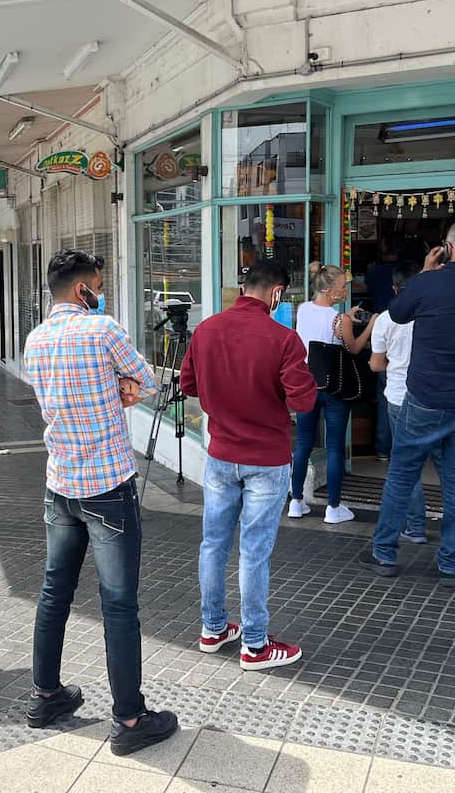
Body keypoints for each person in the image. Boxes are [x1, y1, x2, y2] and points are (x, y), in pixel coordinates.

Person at [22, 249, 177, 756]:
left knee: (54, 592)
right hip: (107, 485)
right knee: (119, 603)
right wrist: (121, 386)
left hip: (60, 482)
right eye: (99, 284)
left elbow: (59, 395)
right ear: (83, 288)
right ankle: (130, 719)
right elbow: (148, 380)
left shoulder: (35, 339)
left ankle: (45, 696)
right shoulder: (102, 329)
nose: (101, 292)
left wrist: (113, 386)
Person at [359, 219, 455, 586]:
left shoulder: (426, 283)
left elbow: (398, 313)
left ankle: (384, 553)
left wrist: (426, 272)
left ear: (447, 247)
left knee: (402, 474)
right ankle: (450, 564)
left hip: (426, 397)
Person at [178, 259, 317, 672]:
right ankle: (255, 645)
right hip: (267, 459)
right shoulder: (284, 339)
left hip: (221, 454)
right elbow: (303, 401)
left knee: (213, 544)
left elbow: (188, 384)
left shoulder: (206, 330)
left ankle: (213, 628)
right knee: (253, 552)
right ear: (276, 293)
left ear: (244, 288)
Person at [289, 262, 376, 524]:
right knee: (335, 446)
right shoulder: (341, 319)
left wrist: (345, 317)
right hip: (335, 388)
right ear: (328, 290)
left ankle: (296, 502)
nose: (345, 291)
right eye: (341, 287)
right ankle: (333, 508)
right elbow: (354, 348)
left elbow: (320, 328)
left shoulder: (303, 309)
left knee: (303, 443)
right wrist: (370, 325)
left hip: (308, 384)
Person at [369, 260, 429, 544]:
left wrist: (395, 364)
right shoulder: (432, 314)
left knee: (406, 464)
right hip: (431, 396)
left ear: (394, 288)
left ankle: (415, 526)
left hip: (398, 397)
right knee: (448, 464)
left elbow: (376, 364)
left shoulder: (385, 319)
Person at [367, 241, 400, 461]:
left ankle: (382, 449)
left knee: (385, 398)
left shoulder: (373, 273)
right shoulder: (405, 274)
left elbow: (375, 364)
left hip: (382, 333)